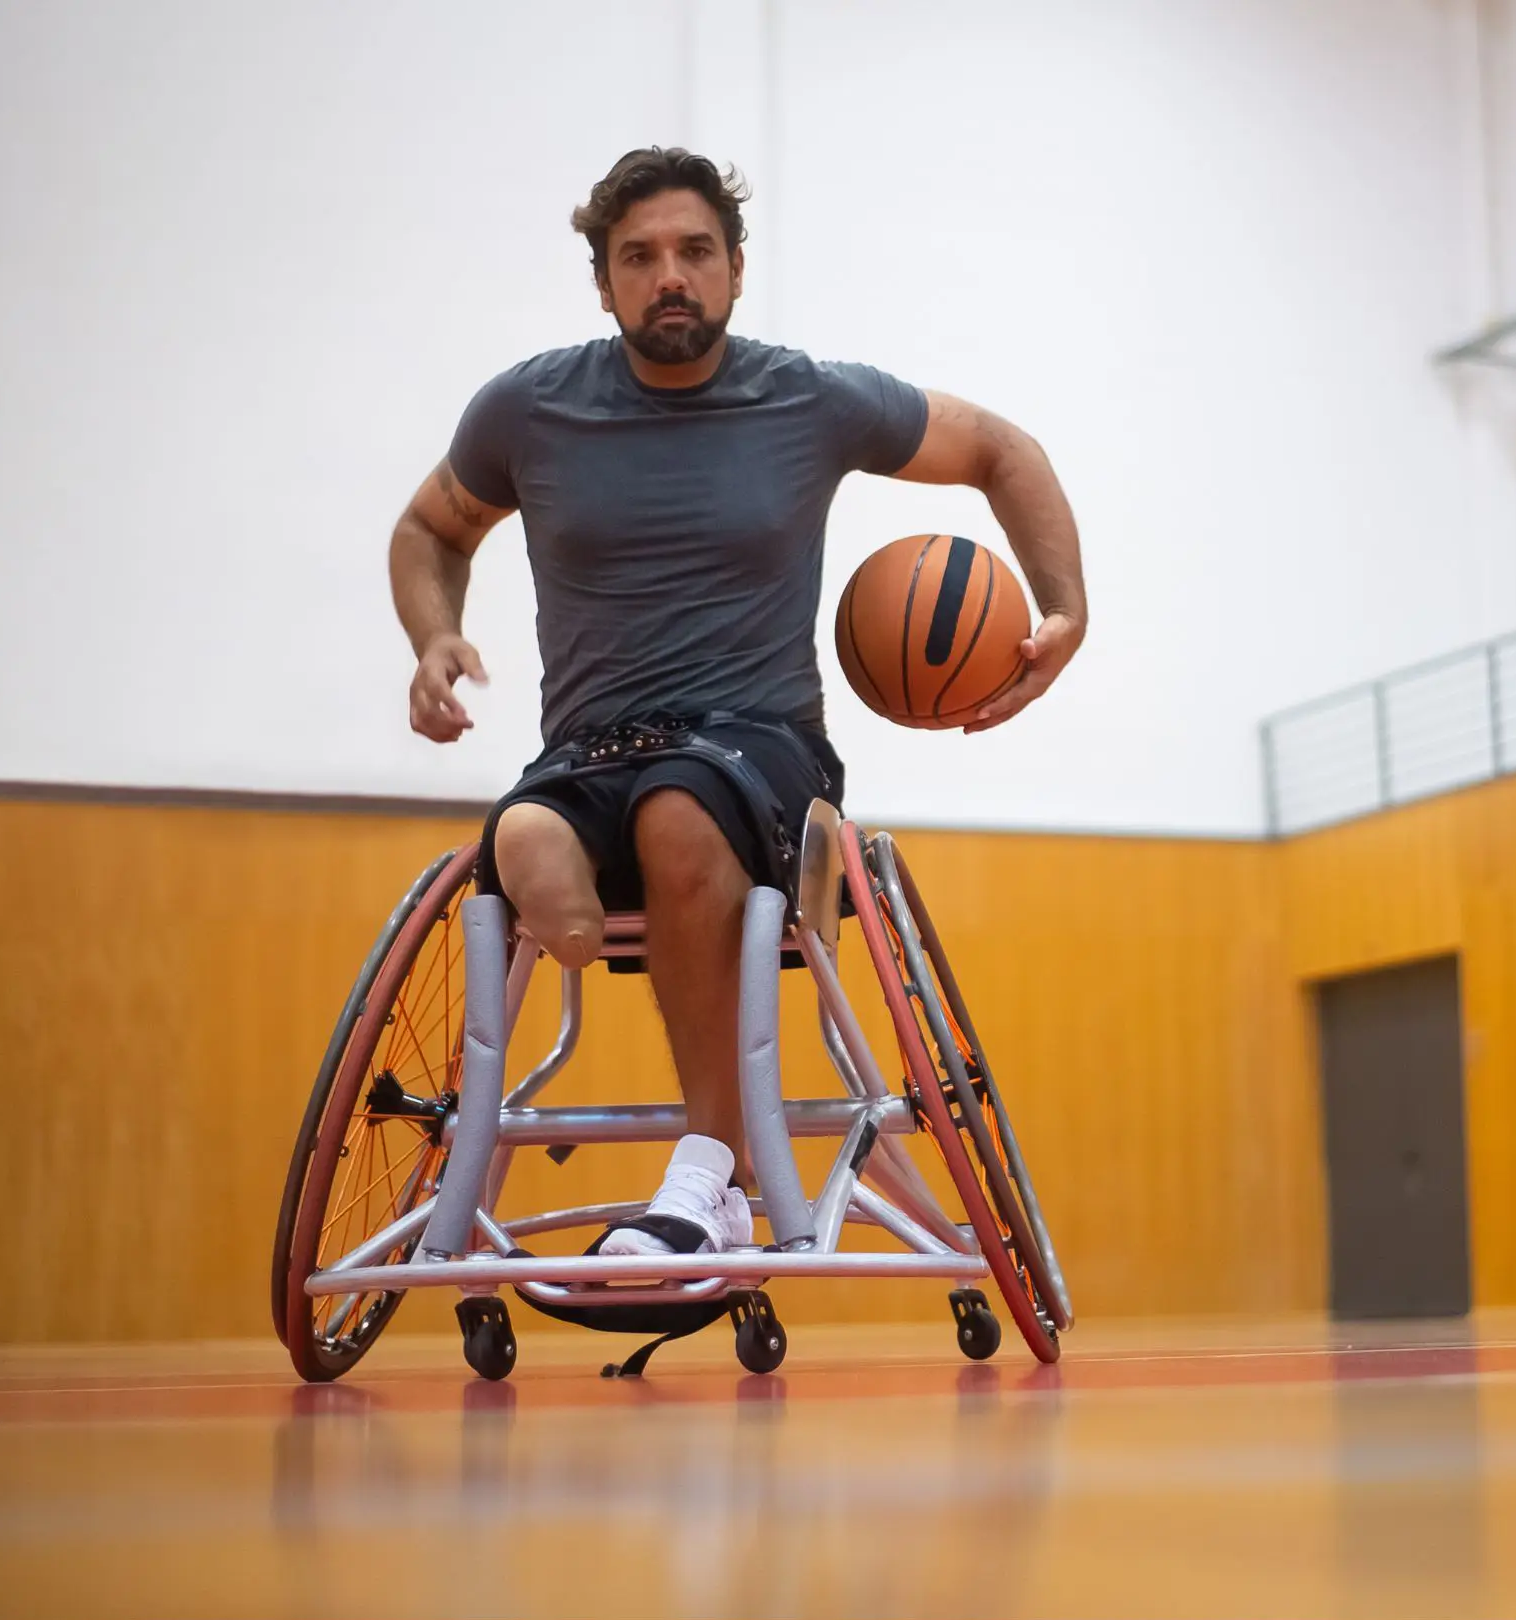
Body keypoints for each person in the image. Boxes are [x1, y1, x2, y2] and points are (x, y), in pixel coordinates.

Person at [388, 146, 1085, 1264]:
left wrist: (1064, 615)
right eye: (640, 257)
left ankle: (708, 1173)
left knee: (677, 810)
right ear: (605, 283)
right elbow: (430, 528)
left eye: (694, 252)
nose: (671, 275)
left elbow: (1003, 449)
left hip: (759, 750)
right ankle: (515, 1072)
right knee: (524, 830)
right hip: (589, 751)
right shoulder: (527, 409)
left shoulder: (807, 397)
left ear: (736, 270)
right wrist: (432, 638)